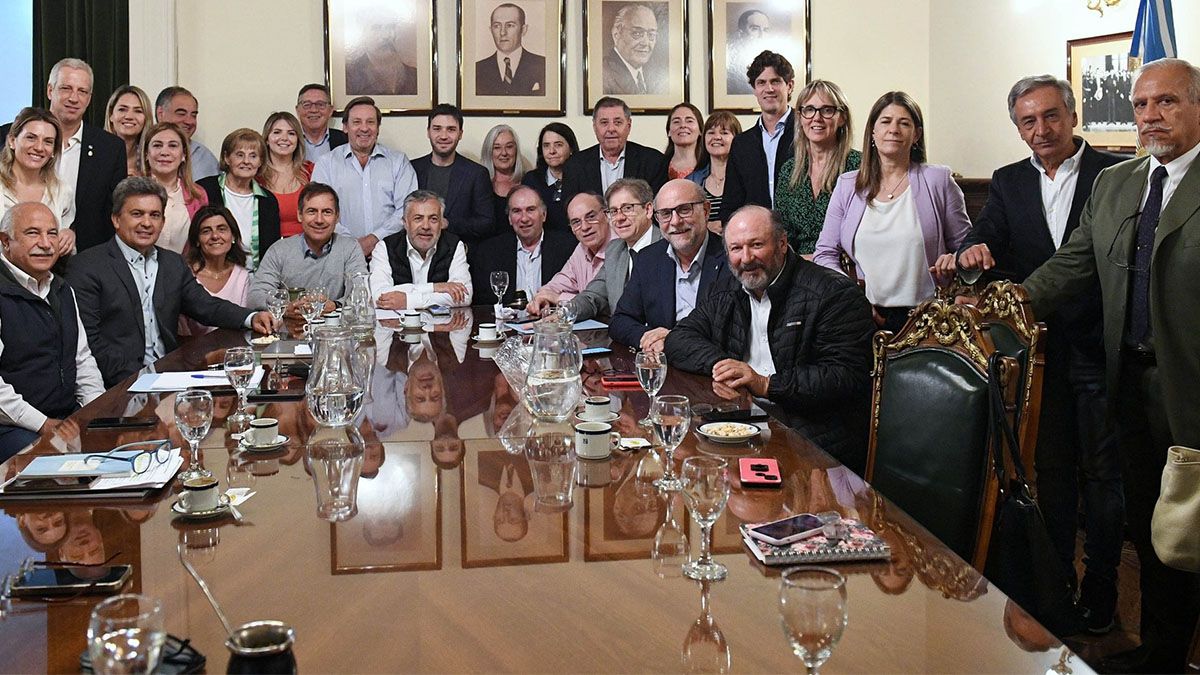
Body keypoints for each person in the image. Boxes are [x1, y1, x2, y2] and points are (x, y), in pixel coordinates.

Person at [1017, 58, 1200, 674]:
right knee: (1155, 534)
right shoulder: (1117, 183)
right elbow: (1073, 265)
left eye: (1167, 103)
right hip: (1131, 387)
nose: (1150, 116)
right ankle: (1161, 654)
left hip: (1193, 391)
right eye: (1141, 105)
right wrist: (1004, 307)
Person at [956, 74, 1124, 635]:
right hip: (1038, 349)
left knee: (1103, 476)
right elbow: (985, 241)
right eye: (1028, 121)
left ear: (1072, 117)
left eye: (1051, 116)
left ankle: (1103, 591)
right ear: (1018, 128)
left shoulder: (1116, 174)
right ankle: (1058, 587)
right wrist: (971, 251)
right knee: (1049, 472)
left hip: (1101, 346)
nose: (1042, 129)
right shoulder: (1007, 181)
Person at [664, 206, 874, 469]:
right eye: (736, 249)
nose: (747, 258)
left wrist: (765, 384)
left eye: (756, 245)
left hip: (813, 438)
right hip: (742, 421)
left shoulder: (833, 294)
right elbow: (678, 339)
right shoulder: (727, 288)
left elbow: (845, 376)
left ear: (782, 243)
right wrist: (726, 366)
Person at [66, 177, 273, 388]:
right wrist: (138, 381)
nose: (147, 223)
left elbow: (206, 305)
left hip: (172, 378)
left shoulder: (172, 263)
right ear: (116, 219)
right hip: (116, 385)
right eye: (137, 214)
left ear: (163, 222)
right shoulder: (88, 266)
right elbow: (90, 341)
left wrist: (251, 317)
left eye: (154, 215)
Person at [813, 91, 969, 333]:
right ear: (873, 132)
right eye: (885, 121)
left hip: (928, 317)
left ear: (916, 135)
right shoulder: (847, 185)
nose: (894, 129)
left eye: (904, 123)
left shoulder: (938, 180)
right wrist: (852, 296)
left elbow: (967, 248)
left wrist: (955, 260)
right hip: (864, 314)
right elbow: (824, 253)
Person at [0, 202, 103, 460]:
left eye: (53, 233)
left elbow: (82, 359)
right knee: (60, 464)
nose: (46, 244)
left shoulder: (62, 289)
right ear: (5, 241)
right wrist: (44, 424)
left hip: (64, 417)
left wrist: (97, 412)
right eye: (33, 233)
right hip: (13, 427)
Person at [0, 60, 124, 253]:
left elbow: (112, 214)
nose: (74, 98)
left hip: (77, 262)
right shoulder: (4, 135)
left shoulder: (110, 148)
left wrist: (72, 233)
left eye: (82, 91)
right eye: (66, 88)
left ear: (90, 97)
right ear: (50, 90)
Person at [609, 179, 730, 352]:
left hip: (713, 368)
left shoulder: (730, 257)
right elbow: (620, 321)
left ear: (705, 210)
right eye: (665, 213)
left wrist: (673, 341)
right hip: (665, 366)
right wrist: (649, 337)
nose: (675, 221)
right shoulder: (648, 259)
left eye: (684, 210)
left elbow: (730, 333)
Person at [312, 96, 418, 259]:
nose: (364, 128)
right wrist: (353, 245)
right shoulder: (326, 164)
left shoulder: (398, 162)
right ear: (345, 127)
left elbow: (408, 210)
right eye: (356, 122)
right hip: (337, 253)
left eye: (370, 122)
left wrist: (374, 240)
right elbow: (319, 211)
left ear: (378, 127)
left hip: (391, 254)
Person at [249, 182, 367, 312]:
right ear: (300, 215)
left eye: (327, 212)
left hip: (335, 329)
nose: (319, 220)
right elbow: (256, 296)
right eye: (312, 211)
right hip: (290, 327)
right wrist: (288, 307)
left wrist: (334, 305)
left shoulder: (350, 248)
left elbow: (361, 292)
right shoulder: (279, 250)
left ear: (337, 217)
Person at [776, 80, 862, 255]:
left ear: (842, 118)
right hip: (799, 270)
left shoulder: (859, 166)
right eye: (809, 110)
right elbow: (783, 234)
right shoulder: (789, 170)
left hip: (847, 269)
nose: (817, 118)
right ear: (800, 117)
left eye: (827, 110)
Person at [567, 178, 661, 322]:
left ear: (648, 210)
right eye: (613, 211)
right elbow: (592, 296)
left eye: (628, 208)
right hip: (623, 338)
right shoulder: (615, 250)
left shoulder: (668, 245)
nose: (620, 218)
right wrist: (561, 315)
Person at [469, 185, 574, 305]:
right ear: (509, 218)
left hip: (552, 321)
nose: (524, 218)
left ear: (543, 215)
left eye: (530, 209)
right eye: (516, 211)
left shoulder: (568, 247)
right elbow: (483, 302)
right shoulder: (489, 251)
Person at [369, 189, 472, 311]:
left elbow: (464, 295)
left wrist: (408, 301)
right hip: (397, 328)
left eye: (433, 219)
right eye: (418, 218)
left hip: (440, 327)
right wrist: (434, 288)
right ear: (405, 223)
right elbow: (378, 297)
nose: (426, 226)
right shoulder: (384, 247)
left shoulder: (454, 245)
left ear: (442, 223)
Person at [722, 51, 796, 220]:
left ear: (789, 86)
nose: (768, 89)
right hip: (755, 236)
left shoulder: (807, 133)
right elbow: (732, 202)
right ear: (755, 90)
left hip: (800, 237)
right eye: (761, 83)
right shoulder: (742, 143)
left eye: (775, 81)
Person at [196, 128, 282, 268]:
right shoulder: (204, 189)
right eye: (240, 155)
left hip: (255, 277)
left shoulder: (268, 200)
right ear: (226, 158)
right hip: (212, 272)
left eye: (253, 156)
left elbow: (271, 249)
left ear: (260, 161)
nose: (246, 161)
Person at [411, 105, 495, 244]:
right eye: (437, 129)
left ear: (460, 134)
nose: (443, 136)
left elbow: (486, 223)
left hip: (462, 253)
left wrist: (448, 224)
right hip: (416, 255)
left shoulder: (476, 173)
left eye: (451, 129)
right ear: (428, 132)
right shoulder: (412, 168)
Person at [526, 192, 616, 312]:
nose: (585, 227)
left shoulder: (620, 246)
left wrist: (560, 299)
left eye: (591, 217)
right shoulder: (582, 248)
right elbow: (558, 283)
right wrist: (542, 298)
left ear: (606, 215)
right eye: (576, 222)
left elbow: (607, 304)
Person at [562, 97, 667, 199]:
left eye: (618, 122)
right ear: (594, 127)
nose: (611, 129)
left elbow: (658, 208)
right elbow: (570, 210)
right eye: (604, 123)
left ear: (629, 126)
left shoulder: (653, 161)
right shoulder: (575, 165)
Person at [0, 109, 74, 252]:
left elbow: (63, 235)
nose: (39, 147)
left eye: (48, 141)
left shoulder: (62, 190)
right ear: (12, 141)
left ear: (53, 150)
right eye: (31, 138)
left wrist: (69, 236)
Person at [179, 205, 251, 336]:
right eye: (206, 231)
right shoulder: (185, 274)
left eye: (222, 229)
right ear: (197, 241)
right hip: (192, 351)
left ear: (233, 236)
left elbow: (243, 323)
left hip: (234, 349)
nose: (215, 236)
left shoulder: (242, 276)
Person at [139, 122, 207, 254]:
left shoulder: (198, 195)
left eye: (173, 146)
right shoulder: (131, 192)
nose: (164, 152)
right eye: (157, 145)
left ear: (183, 155)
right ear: (146, 154)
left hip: (183, 271)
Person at [474, 3, 547, 96]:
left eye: (510, 25)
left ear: (524, 29)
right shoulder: (477, 70)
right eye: (497, 26)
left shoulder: (542, 66)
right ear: (491, 30)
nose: (502, 32)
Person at [259, 112, 313, 238]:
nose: (284, 138)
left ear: (298, 140)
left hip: (307, 248)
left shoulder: (311, 171)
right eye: (277, 132)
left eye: (291, 133)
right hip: (267, 248)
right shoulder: (255, 175)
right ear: (266, 139)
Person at [688, 110, 741, 232]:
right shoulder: (691, 181)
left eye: (724, 133)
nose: (717, 137)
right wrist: (706, 227)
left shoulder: (746, 177)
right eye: (711, 132)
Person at [522, 122, 579, 232]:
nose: (552, 151)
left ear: (571, 148)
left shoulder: (582, 178)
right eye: (546, 145)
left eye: (558, 145)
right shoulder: (531, 180)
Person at [154, 86, 219, 180]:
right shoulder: (139, 151)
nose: (189, 121)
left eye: (193, 115)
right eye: (181, 114)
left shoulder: (204, 157)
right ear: (161, 114)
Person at [603, 4, 665, 95]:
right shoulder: (604, 75)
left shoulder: (656, 76)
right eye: (637, 33)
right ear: (616, 34)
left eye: (651, 35)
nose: (645, 43)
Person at [345, 20, 418, 96]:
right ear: (362, 34)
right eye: (376, 28)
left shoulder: (415, 76)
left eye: (390, 27)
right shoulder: (348, 77)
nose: (385, 36)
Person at [481, 124, 530, 237]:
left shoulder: (529, 181)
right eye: (497, 147)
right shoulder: (480, 184)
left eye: (509, 146)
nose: (504, 153)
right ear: (489, 152)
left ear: (516, 150)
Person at [103, 85, 152, 177]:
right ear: (111, 115)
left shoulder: (152, 158)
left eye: (138, 111)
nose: (129, 116)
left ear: (146, 118)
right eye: (122, 109)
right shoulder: (96, 154)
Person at [295, 84, 348, 164]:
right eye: (307, 105)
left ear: (330, 110)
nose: (314, 110)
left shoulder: (346, 140)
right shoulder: (289, 140)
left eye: (320, 105)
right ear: (298, 110)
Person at [726, 9, 770, 95]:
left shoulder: (775, 64)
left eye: (765, 30)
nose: (761, 36)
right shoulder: (732, 66)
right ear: (740, 33)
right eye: (755, 29)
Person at [663, 103, 706, 180]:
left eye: (689, 121)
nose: (683, 125)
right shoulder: (658, 165)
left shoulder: (709, 165)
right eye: (676, 122)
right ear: (668, 131)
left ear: (700, 130)